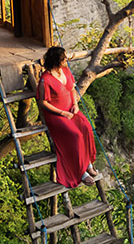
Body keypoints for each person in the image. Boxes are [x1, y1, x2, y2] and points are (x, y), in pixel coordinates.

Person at [37, 46, 98, 188]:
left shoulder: (66, 71)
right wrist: (62, 113)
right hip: (56, 115)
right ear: (56, 61)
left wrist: (75, 104)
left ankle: (87, 162)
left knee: (87, 128)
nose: (66, 60)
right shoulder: (45, 79)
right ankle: (81, 172)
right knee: (75, 135)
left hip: (71, 110)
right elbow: (43, 103)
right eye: (63, 58)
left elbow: (71, 89)